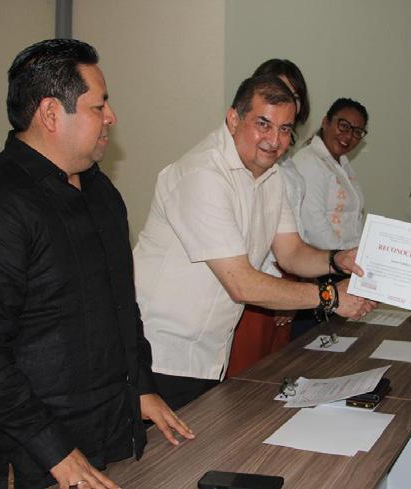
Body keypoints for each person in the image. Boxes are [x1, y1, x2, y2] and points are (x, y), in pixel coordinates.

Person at [0, 39, 193, 489]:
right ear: (52, 113)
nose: (111, 117)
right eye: (99, 106)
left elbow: (121, 307)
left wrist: (141, 386)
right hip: (37, 459)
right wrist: (53, 448)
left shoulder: (100, 193)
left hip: (111, 435)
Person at [133, 75, 376, 410]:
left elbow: (291, 253)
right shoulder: (203, 174)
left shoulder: (271, 175)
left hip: (209, 353)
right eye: (263, 124)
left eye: (285, 129)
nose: (274, 140)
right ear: (233, 119)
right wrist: (330, 297)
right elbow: (242, 283)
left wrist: (338, 259)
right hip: (159, 355)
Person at [226, 59, 310, 378]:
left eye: (292, 95)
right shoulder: (234, 167)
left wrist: (294, 284)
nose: (282, 99)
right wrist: (282, 292)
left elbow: (292, 241)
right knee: (245, 381)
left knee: (275, 376)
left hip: (285, 277)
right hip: (253, 284)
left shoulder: (285, 167)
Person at [292, 98, 368, 251]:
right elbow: (313, 222)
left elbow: (355, 219)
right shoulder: (309, 161)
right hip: (324, 259)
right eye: (344, 126)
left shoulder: (343, 164)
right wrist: (339, 258)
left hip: (347, 257)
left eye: (357, 132)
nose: (348, 136)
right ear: (325, 122)